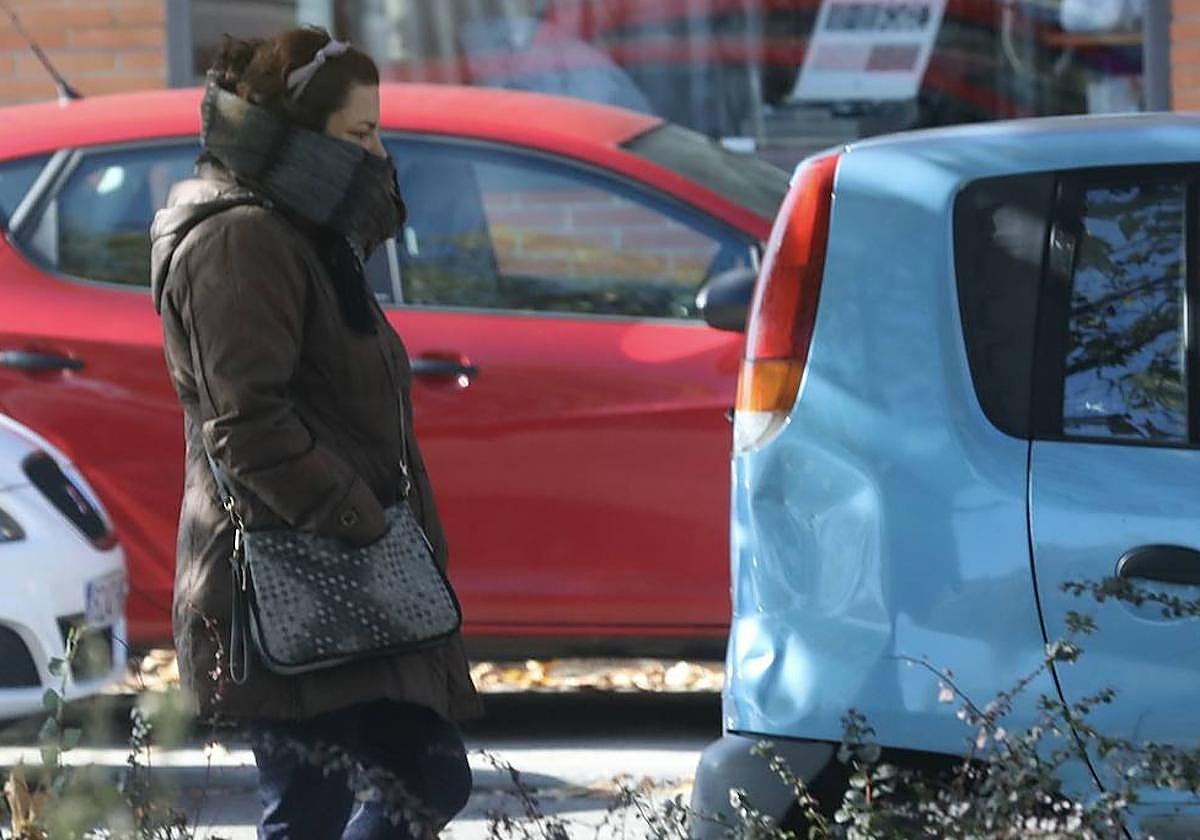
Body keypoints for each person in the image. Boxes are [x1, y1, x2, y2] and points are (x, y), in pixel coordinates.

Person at [149, 26, 483, 839]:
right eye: (358, 134)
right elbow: (248, 425)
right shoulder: (241, 239)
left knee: (425, 777)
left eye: (378, 130)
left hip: (346, 571)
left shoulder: (302, 230)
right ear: (296, 138)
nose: (377, 152)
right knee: (314, 810)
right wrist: (356, 521)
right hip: (285, 578)